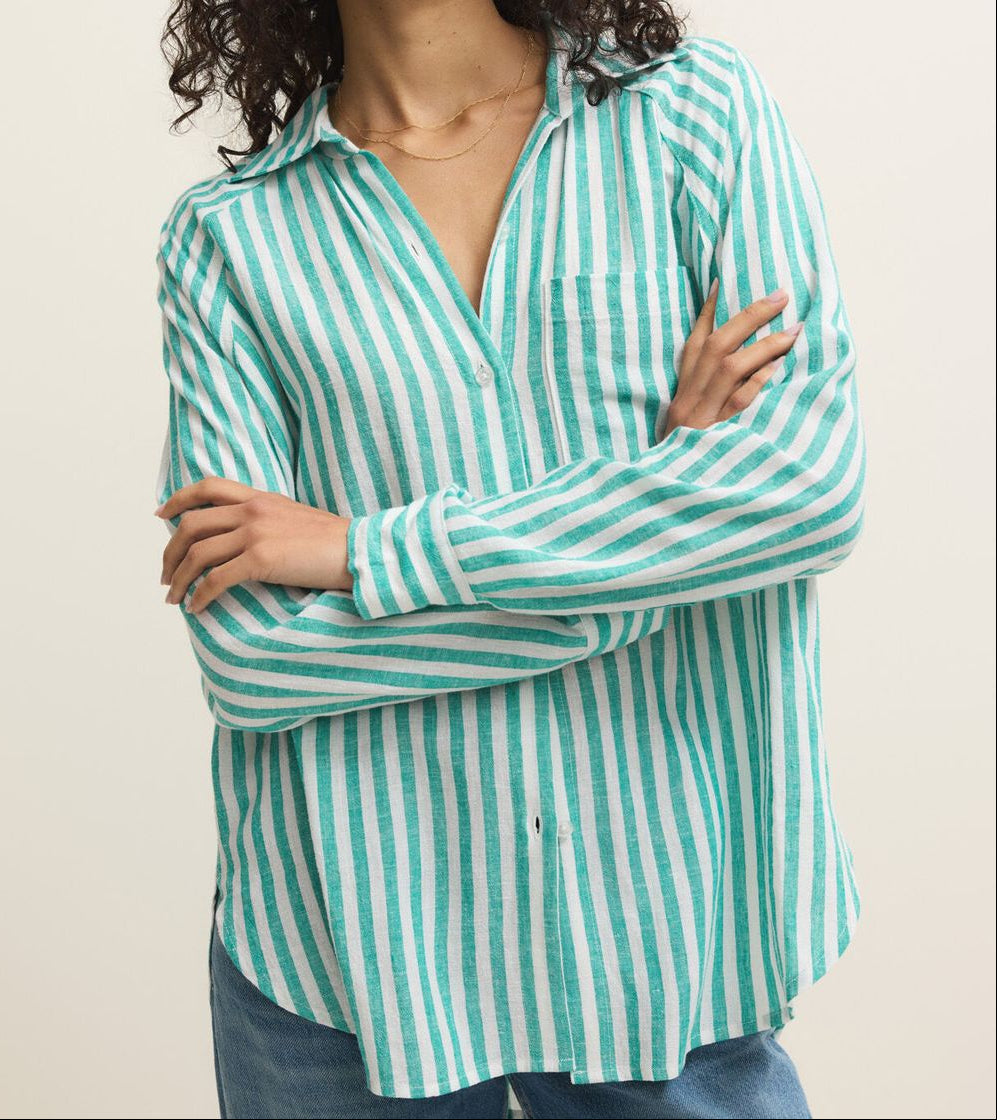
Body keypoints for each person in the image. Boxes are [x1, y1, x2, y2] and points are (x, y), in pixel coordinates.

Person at [153, 2, 867, 1117]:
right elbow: (256, 660)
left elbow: (805, 491)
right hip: (345, 952)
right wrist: (639, 569)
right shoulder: (228, 237)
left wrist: (364, 549)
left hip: (660, 932)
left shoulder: (692, 117)